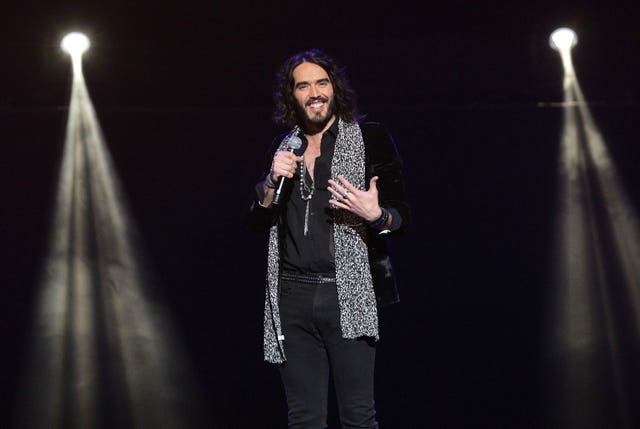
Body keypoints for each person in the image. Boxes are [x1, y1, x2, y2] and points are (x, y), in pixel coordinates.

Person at [247, 48, 409, 429]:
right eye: (303, 85)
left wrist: (377, 215)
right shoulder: (285, 147)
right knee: (304, 419)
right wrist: (271, 180)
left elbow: (403, 216)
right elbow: (257, 221)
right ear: (293, 95)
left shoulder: (370, 138)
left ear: (334, 88)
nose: (314, 92)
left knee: (357, 416)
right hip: (291, 296)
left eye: (322, 82)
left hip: (347, 292)